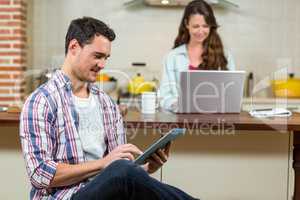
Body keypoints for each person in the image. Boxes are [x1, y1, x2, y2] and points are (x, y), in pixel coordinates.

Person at [20, 17, 198, 200]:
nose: (103, 65)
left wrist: (145, 170)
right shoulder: (41, 101)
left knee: (124, 171)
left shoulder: (106, 103)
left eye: (106, 58)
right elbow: (40, 174)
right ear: (73, 47)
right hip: (63, 197)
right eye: (97, 56)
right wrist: (104, 164)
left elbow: (120, 171)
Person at [159, 0, 236, 111]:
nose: (201, 31)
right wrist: (178, 105)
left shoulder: (225, 56)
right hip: (182, 121)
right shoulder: (172, 57)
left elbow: (232, 94)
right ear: (186, 24)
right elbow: (164, 96)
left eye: (205, 26)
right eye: (196, 26)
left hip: (217, 120)